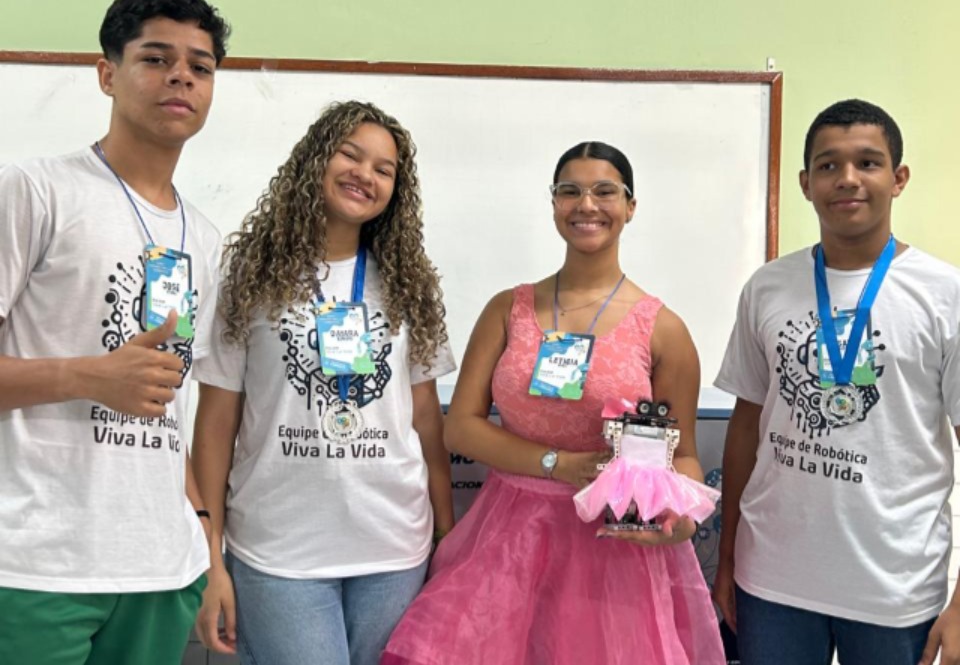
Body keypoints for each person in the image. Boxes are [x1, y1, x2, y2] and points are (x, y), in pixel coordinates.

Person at [383, 141, 725, 665]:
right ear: (553, 205)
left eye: (604, 191)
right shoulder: (508, 309)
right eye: (570, 191)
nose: (586, 204)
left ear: (630, 207)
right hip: (506, 539)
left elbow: (683, 456)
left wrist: (682, 518)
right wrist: (559, 466)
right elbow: (462, 429)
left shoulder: (664, 330)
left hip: (614, 550)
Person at [0, 0, 230, 665]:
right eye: (155, 58)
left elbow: (170, 413)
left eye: (201, 65)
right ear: (107, 73)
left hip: (162, 570)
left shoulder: (206, 239)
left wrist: (207, 554)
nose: (181, 75)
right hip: (39, 567)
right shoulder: (36, 191)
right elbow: (118, 382)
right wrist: (89, 375)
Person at [192, 100, 455, 665]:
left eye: (384, 169)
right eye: (351, 155)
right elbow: (215, 426)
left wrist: (446, 538)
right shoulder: (247, 276)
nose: (365, 174)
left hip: (394, 550)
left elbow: (426, 420)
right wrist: (211, 559)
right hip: (278, 552)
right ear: (315, 160)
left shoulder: (407, 283)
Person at [712, 98, 960, 665]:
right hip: (770, 581)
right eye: (828, 165)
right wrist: (727, 558)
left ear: (898, 178)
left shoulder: (945, 295)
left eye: (867, 163)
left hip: (894, 589)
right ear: (804, 183)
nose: (847, 179)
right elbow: (747, 425)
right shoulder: (768, 287)